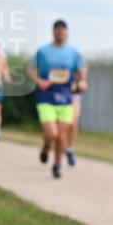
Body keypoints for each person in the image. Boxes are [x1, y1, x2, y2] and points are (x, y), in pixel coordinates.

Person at [29, 20, 86, 179]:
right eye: (58, 31)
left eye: (63, 31)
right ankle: (47, 146)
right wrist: (39, 81)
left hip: (66, 98)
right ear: (53, 32)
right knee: (52, 134)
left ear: (67, 33)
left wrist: (81, 81)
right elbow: (31, 68)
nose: (61, 34)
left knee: (61, 136)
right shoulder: (43, 51)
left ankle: (57, 164)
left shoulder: (74, 53)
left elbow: (81, 72)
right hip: (46, 97)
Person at [64, 62, 89, 167]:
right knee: (61, 126)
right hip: (58, 95)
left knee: (73, 124)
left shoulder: (78, 60)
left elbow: (83, 79)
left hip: (73, 96)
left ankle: (69, 149)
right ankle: (56, 146)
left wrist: (82, 82)